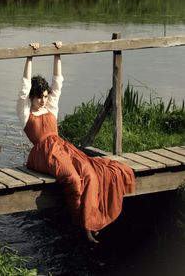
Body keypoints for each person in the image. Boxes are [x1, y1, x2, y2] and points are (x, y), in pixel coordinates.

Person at [17, 42, 135, 243]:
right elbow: (24, 86)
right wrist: (29, 56)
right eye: (39, 98)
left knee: (89, 172)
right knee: (72, 178)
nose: (43, 101)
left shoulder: (51, 107)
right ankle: (83, 225)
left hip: (61, 147)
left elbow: (58, 83)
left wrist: (58, 53)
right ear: (32, 98)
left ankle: (91, 219)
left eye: (45, 97)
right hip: (42, 154)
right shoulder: (26, 112)